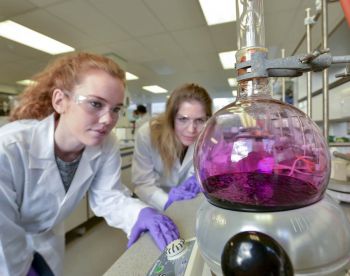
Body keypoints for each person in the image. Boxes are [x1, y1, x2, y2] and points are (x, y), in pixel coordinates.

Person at [0, 52, 179, 276]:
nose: (108, 120)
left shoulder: (105, 144)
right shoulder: (7, 147)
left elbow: (108, 196)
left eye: (115, 109)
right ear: (60, 101)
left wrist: (140, 213)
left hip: (46, 240)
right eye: (95, 104)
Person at [132, 83, 213, 211]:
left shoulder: (207, 138)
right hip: (153, 205)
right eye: (183, 119)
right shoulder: (147, 134)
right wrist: (167, 201)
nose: (191, 129)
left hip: (188, 204)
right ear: (171, 118)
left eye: (200, 120)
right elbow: (143, 184)